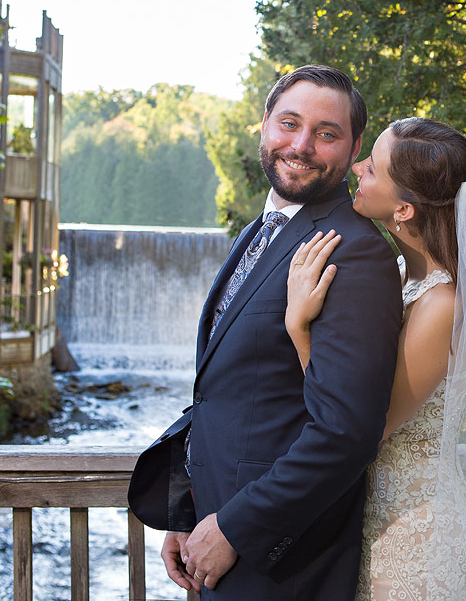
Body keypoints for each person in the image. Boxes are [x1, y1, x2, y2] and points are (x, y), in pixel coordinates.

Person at [127, 65, 402, 600]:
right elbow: (226, 392)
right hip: (217, 539)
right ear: (264, 125)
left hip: (284, 563)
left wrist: (236, 527)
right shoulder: (264, 228)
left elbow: (346, 432)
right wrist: (189, 508)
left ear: (353, 147)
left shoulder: (353, 250)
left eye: (326, 134)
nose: (301, 145)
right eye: (289, 123)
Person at [285, 117, 466, 600]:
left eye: (374, 167)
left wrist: (298, 328)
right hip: (374, 519)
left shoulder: (443, 305)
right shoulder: (402, 278)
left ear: (404, 209)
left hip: (416, 539)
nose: (358, 165)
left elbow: (369, 424)